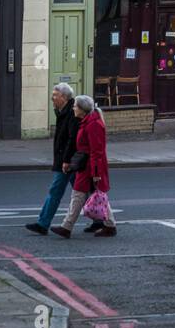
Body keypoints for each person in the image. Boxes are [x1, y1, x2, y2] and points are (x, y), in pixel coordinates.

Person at [51, 95, 117, 238]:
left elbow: (96, 151)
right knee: (95, 195)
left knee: (80, 195)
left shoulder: (93, 124)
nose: (73, 108)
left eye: (75, 106)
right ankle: (110, 225)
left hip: (90, 167)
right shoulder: (86, 121)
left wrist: (95, 173)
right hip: (85, 165)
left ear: (82, 109)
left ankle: (66, 227)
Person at [25, 83, 80, 236]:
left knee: (64, 191)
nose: (52, 98)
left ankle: (43, 224)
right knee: (82, 192)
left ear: (64, 97)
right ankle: (101, 220)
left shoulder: (72, 112)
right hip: (65, 159)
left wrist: (66, 160)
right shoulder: (62, 111)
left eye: (55, 95)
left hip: (68, 161)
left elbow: (72, 139)